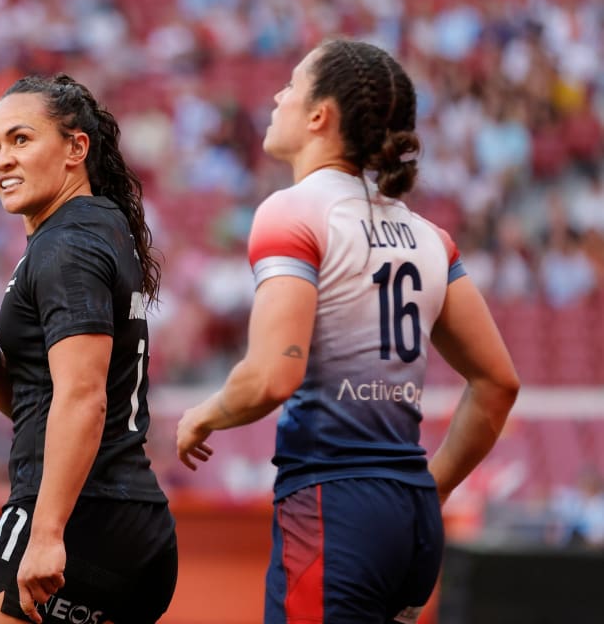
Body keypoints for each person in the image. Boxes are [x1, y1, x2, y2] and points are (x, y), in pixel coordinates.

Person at [176, 39, 520, 624]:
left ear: (319, 116)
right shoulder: (431, 238)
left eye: (291, 84)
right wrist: (429, 492)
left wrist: (202, 414)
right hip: (409, 518)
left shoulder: (292, 212)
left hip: (334, 510)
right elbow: (498, 384)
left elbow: (271, 375)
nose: (278, 95)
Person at [0, 74, 178, 624]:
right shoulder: (99, 228)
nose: (2, 160)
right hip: (128, 520)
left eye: (21, 140)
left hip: (79, 516)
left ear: (76, 148)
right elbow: (40, 402)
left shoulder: (67, 244)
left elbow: (84, 395)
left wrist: (45, 535)